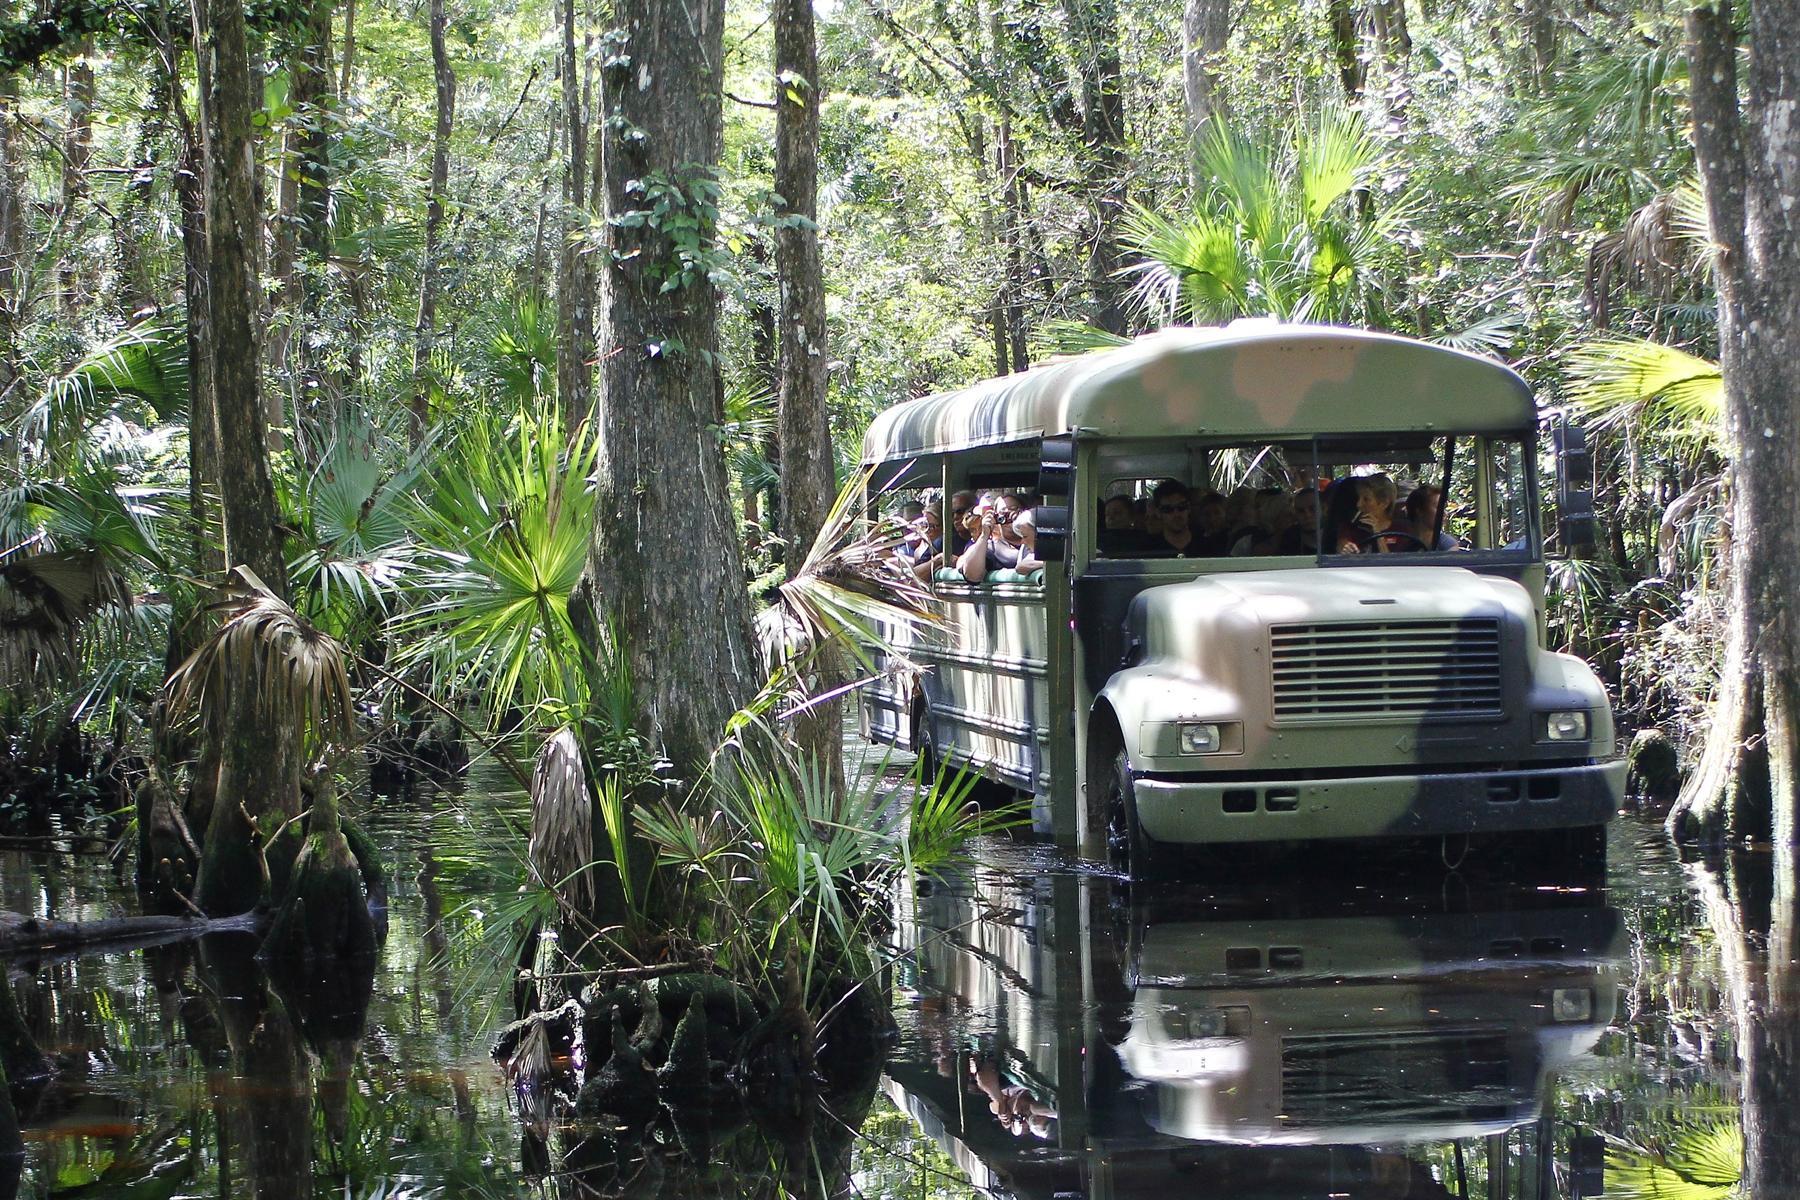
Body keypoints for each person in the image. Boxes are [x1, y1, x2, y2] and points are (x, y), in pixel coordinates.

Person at [1141, 480, 1202, 557]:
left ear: (1189, 508)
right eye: (1168, 509)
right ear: (1158, 513)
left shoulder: (1206, 545)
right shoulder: (1147, 549)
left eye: (1181, 507)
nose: (1176, 514)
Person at [1401, 483, 1462, 550]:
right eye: (1438, 507)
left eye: (1444, 508)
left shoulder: (1447, 544)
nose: (1445, 513)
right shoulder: (1401, 542)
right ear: (1419, 511)